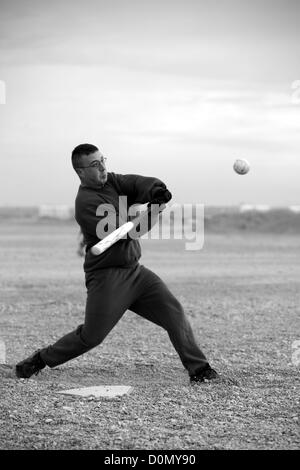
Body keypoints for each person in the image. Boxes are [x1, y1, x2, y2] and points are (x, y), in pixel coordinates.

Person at [14, 143, 218, 384]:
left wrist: (156, 190)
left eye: (103, 160)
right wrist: (153, 212)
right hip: (107, 277)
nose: (103, 168)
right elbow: (127, 232)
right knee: (91, 337)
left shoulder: (111, 181)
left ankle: (200, 370)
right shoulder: (86, 203)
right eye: (95, 164)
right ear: (80, 172)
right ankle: (40, 359)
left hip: (135, 272)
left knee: (174, 312)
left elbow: (135, 184)